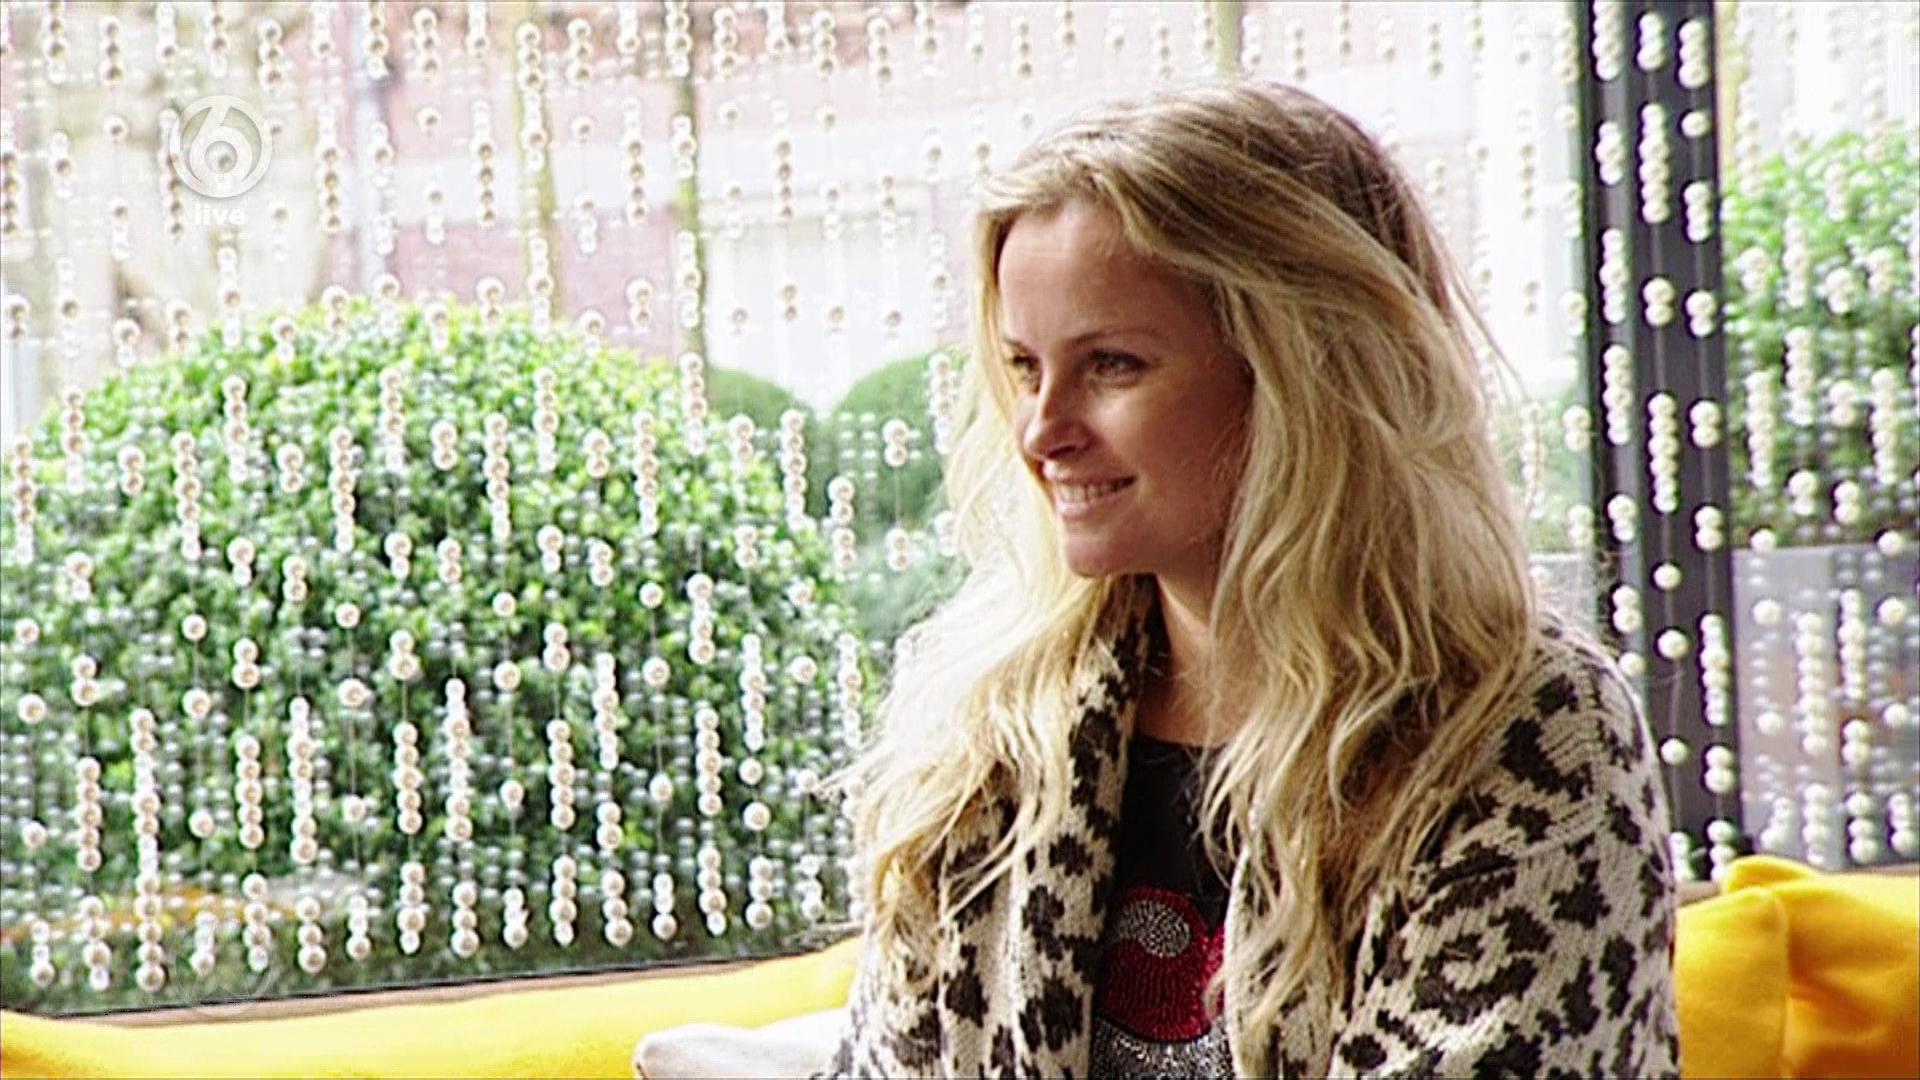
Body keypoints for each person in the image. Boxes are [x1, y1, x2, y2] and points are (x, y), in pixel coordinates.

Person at [813, 79, 1678, 1079]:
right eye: (1023, 367)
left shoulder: (1524, 731)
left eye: (1113, 365)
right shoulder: (986, 738)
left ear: (1306, 370)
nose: (1042, 432)